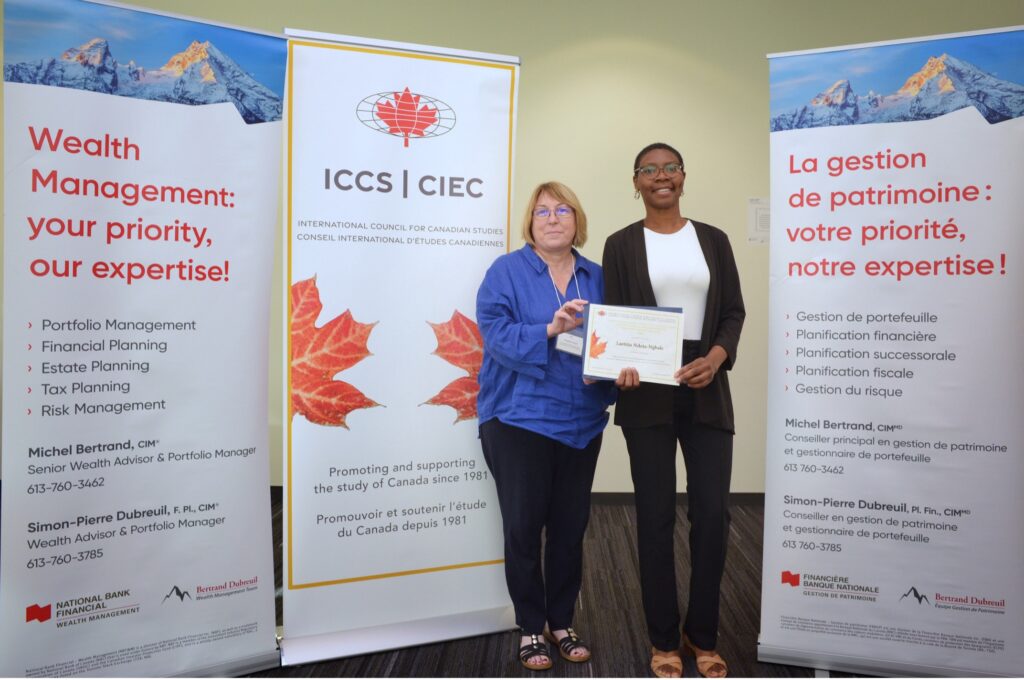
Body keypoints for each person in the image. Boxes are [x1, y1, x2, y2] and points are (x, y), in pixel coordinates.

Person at [477, 181, 636, 671]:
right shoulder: (506, 271)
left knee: (570, 528)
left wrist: (624, 371)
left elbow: (619, 339)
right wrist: (553, 327)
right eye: (542, 211)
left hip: (581, 421)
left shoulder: (599, 276)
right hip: (518, 419)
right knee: (524, 528)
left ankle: (561, 620)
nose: (552, 218)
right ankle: (530, 625)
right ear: (530, 222)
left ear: (576, 221)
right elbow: (496, 333)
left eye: (562, 210)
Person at [602, 143, 745, 678]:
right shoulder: (620, 244)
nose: (661, 176)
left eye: (670, 168)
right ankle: (663, 639)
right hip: (646, 388)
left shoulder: (713, 239)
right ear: (635, 181)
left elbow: (732, 311)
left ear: (683, 176)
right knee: (655, 516)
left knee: (713, 514)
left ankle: (701, 634)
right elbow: (614, 317)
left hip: (706, 381)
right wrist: (622, 362)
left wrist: (716, 356)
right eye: (649, 170)